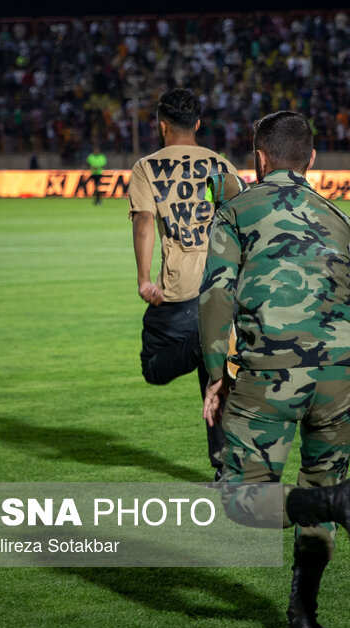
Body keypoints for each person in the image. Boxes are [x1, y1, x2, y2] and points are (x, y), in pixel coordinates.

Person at [199, 110, 350, 628]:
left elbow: (215, 299)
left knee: (241, 499)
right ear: (312, 159)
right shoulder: (342, 218)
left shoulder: (235, 211)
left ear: (258, 159)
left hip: (270, 371)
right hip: (341, 372)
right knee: (323, 480)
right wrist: (349, 373)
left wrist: (216, 375)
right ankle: (305, 616)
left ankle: (336, 504)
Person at [127, 88, 238, 481]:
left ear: (161, 126)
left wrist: (144, 279)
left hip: (180, 293)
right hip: (223, 289)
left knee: (154, 367)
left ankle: (198, 346)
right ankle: (225, 466)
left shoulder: (147, 167)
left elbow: (143, 221)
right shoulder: (220, 165)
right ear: (198, 124)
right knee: (215, 378)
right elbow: (239, 222)